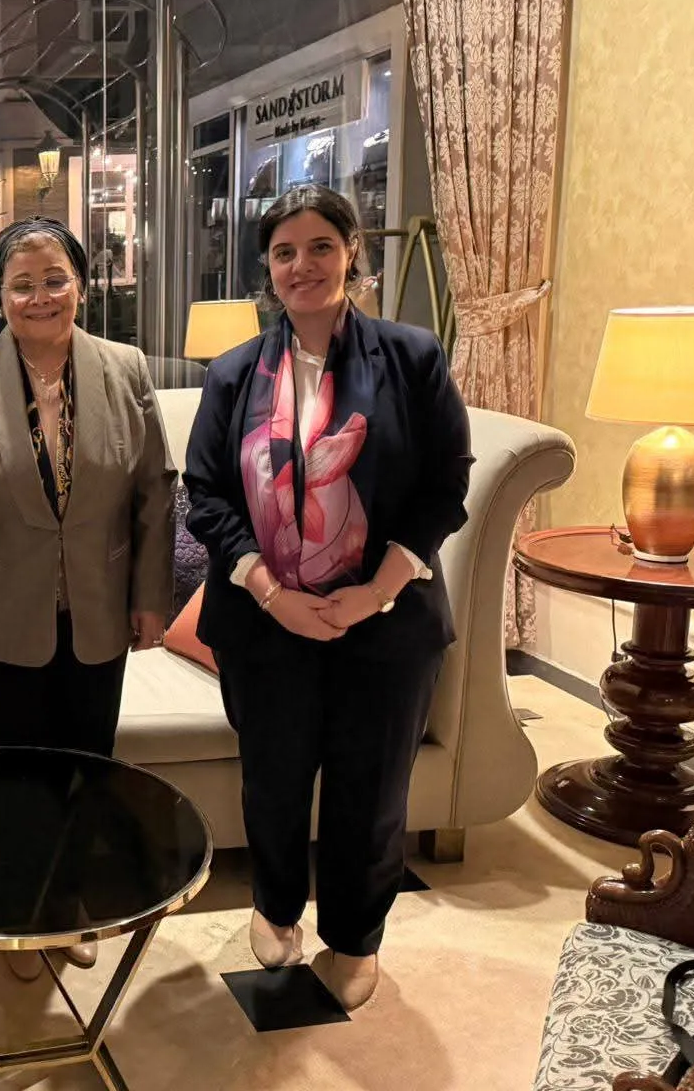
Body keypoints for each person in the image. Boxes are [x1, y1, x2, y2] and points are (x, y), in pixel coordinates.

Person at [184, 184, 472, 1010]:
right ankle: (275, 908)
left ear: (351, 253)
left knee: (369, 792)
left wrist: (375, 591)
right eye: (284, 252)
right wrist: (271, 593)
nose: (302, 265)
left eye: (320, 247)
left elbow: (445, 484)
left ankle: (355, 937)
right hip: (266, 621)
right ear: (267, 269)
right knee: (273, 781)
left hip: (384, 622)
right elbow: (207, 494)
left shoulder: (411, 358)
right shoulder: (235, 373)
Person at [0, 217, 176, 980]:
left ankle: (65, 905)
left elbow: (154, 492)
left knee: (86, 770)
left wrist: (151, 599)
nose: (41, 296)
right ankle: (19, 911)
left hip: (98, 610)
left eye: (55, 279)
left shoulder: (126, 369)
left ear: (82, 286)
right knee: (9, 779)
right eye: (23, 284)